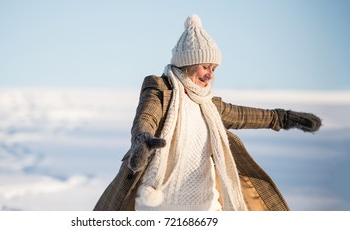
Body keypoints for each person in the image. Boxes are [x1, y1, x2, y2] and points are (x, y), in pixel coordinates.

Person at [93, 14, 322, 211]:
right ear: (188, 63)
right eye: (205, 67)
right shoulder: (161, 88)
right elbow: (147, 116)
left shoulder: (209, 105)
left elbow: (243, 116)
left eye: (214, 69)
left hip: (206, 205)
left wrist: (283, 118)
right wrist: (142, 138)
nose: (210, 75)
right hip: (160, 205)